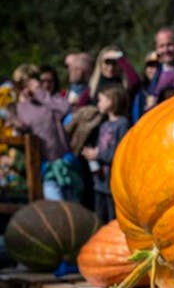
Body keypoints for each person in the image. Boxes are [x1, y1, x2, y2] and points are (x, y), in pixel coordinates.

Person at [10, 74, 76, 201]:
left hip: (65, 164)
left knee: (74, 206)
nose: (29, 89)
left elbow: (66, 108)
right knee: (56, 206)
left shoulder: (51, 101)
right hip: (44, 168)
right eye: (25, 86)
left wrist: (39, 93)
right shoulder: (20, 108)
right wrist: (18, 127)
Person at [81, 85, 129, 222]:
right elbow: (101, 148)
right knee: (99, 218)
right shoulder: (104, 125)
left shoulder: (122, 124)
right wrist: (92, 154)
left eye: (101, 100)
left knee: (113, 220)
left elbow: (119, 153)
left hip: (112, 183)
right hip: (100, 181)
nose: (98, 104)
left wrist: (97, 154)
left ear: (111, 101)